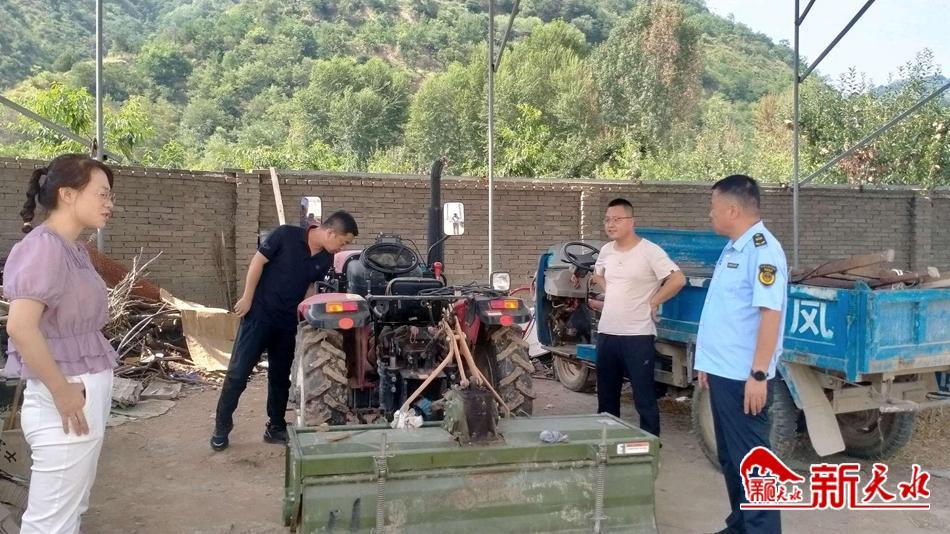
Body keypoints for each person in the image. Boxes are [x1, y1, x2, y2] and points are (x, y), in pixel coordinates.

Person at [4, 154, 117, 533]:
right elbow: (21, 327)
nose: (109, 204)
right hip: (64, 401)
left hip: (80, 395)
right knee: (51, 521)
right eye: (102, 194)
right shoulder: (44, 248)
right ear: (68, 194)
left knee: (71, 508)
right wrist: (61, 391)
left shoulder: (74, 249)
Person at [210, 211, 359, 451]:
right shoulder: (285, 235)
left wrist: (305, 317)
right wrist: (247, 298)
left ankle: (275, 426)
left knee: (280, 378)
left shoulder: (326, 259)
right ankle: (221, 427)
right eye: (343, 242)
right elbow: (258, 262)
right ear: (331, 233)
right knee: (238, 374)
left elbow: (310, 287)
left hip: (287, 323)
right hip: (259, 316)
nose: (342, 248)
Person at [695, 174, 788, 534]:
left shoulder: (763, 251)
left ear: (732, 210)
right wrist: (707, 363)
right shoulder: (734, 248)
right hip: (723, 373)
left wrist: (759, 374)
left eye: (713, 207)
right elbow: (726, 313)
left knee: (755, 466)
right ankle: (741, 526)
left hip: (744, 378)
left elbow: (770, 315)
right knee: (731, 459)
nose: (710, 214)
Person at [587, 198, 685, 437]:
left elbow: (677, 279)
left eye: (617, 219)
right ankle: (607, 444)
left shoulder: (649, 251)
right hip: (607, 333)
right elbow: (598, 274)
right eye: (607, 220)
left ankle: (650, 445)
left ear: (632, 222)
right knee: (606, 397)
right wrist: (611, 290)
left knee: (644, 397)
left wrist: (655, 301)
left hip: (637, 336)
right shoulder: (607, 250)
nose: (611, 224)